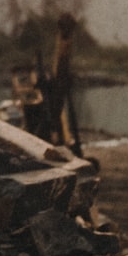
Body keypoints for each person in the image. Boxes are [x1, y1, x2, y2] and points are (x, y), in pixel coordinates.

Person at [51, 12, 83, 158]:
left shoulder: (65, 42)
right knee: (57, 111)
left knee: (57, 111)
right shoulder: (64, 41)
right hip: (60, 80)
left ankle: (59, 139)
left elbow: (62, 63)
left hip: (61, 81)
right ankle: (59, 139)